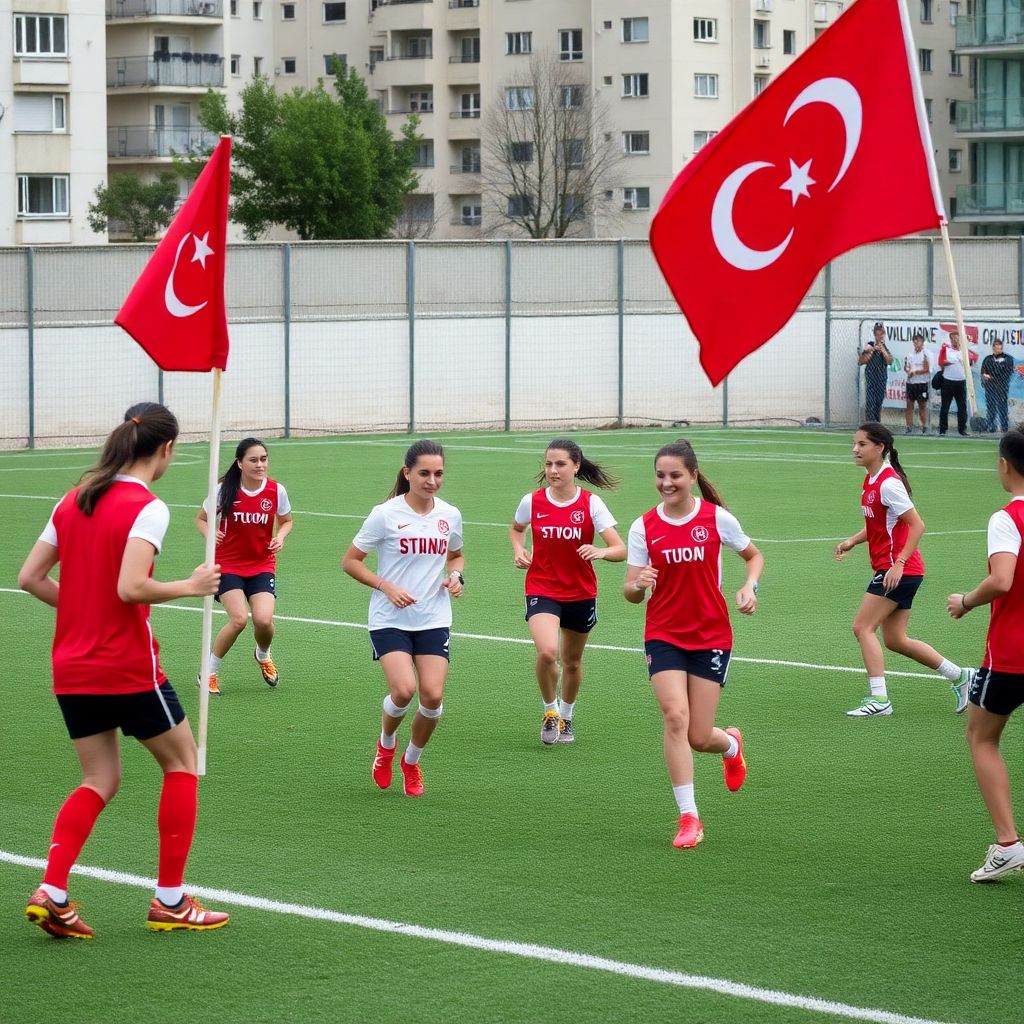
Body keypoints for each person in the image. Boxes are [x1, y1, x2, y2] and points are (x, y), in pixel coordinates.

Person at [17, 403, 229, 939]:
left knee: (99, 778)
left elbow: (30, 577)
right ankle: (171, 900)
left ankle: (54, 891)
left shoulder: (73, 500)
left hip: (72, 665)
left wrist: (82, 610)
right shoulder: (147, 506)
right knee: (183, 762)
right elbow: (131, 587)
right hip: (128, 666)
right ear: (165, 449)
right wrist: (192, 585)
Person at [624, 440, 763, 850]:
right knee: (674, 717)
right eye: (660, 475)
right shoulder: (642, 526)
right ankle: (689, 817)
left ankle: (731, 744)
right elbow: (630, 592)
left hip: (711, 635)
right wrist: (638, 584)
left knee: (701, 736)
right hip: (663, 633)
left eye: (675, 476)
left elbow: (754, 556)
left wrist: (749, 586)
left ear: (692, 476)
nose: (666, 483)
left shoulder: (716, 519)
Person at [342, 440, 464, 798]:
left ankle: (411, 761)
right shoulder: (385, 514)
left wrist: (456, 577)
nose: (432, 480)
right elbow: (350, 561)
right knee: (404, 690)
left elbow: (456, 556)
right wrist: (385, 586)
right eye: (424, 473)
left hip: (434, 616)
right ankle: (385, 746)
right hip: (389, 618)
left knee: (432, 697)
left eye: (438, 473)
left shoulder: (449, 515)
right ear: (407, 472)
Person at [834, 422, 974, 717]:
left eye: (862, 444)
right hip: (900, 569)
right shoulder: (871, 481)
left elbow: (917, 524)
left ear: (880, 447)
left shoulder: (888, 482)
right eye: (855, 444)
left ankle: (880, 700)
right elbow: (878, 524)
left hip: (899, 570)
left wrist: (898, 563)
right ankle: (961, 676)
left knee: (862, 627)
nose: (855, 449)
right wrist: (853, 541)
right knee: (896, 640)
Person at [510, 439, 626, 745]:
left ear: (576, 465)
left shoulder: (591, 504)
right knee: (548, 652)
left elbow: (620, 548)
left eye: (560, 464)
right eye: (548, 464)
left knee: (572, 662)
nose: (553, 470)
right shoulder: (532, 502)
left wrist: (601, 552)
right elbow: (516, 529)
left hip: (580, 592)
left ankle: (568, 716)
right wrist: (520, 550)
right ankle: (550, 711)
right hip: (542, 587)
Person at [947, 425, 1024, 882]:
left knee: (981, 737)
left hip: (1013, 654)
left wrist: (966, 601)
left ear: (1004, 465)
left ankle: (1008, 844)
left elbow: (1002, 580)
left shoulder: (1006, 517)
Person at [196, 438, 293, 696]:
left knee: (263, 620)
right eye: (253, 460)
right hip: (228, 564)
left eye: (263, 459)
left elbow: (286, 521)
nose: (260, 464)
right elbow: (201, 519)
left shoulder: (276, 490)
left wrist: (280, 537)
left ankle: (263, 654)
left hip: (262, 564)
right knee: (238, 619)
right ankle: (208, 672)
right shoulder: (223, 490)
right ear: (240, 463)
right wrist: (210, 534)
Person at [938, 329, 977, 436]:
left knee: (962, 407)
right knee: (945, 406)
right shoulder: (946, 349)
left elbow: (970, 363)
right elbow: (940, 362)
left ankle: (962, 429)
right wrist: (948, 362)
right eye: (953, 338)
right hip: (948, 381)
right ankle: (943, 429)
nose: (955, 340)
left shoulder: (964, 350)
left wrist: (968, 359)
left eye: (957, 337)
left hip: (960, 381)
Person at [859, 322, 893, 423]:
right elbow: (861, 361)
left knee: (878, 402)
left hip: (881, 379)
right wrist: (872, 350)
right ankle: (870, 424)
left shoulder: (885, 347)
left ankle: (877, 424)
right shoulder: (869, 345)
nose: (879, 335)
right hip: (870, 379)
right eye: (877, 333)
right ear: (874, 333)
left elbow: (890, 361)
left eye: (881, 333)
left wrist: (883, 350)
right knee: (870, 402)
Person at [981, 340, 1016, 434]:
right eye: (995, 348)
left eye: (999, 348)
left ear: (1002, 348)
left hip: (1002, 387)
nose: (997, 350)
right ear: (993, 348)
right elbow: (983, 371)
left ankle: (1004, 427)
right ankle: (991, 426)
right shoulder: (988, 359)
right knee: (991, 407)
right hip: (990, 387)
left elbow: (1007, 372)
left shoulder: (1008, 359)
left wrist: (992, 376)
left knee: (1002, 406)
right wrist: (985, 376)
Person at [903, 331, 931, 434]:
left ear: (922, 342)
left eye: (918, 341)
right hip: (911, 384)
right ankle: (908, 426)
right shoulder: (909, 355)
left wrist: (916, 372)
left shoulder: (926, 354)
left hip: (922, 383)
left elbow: (927, 369)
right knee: (909, 405)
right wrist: (908, 372)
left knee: (922, 405)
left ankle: (924, 426)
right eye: (914, 341)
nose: (916, 343)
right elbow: (906, 367)